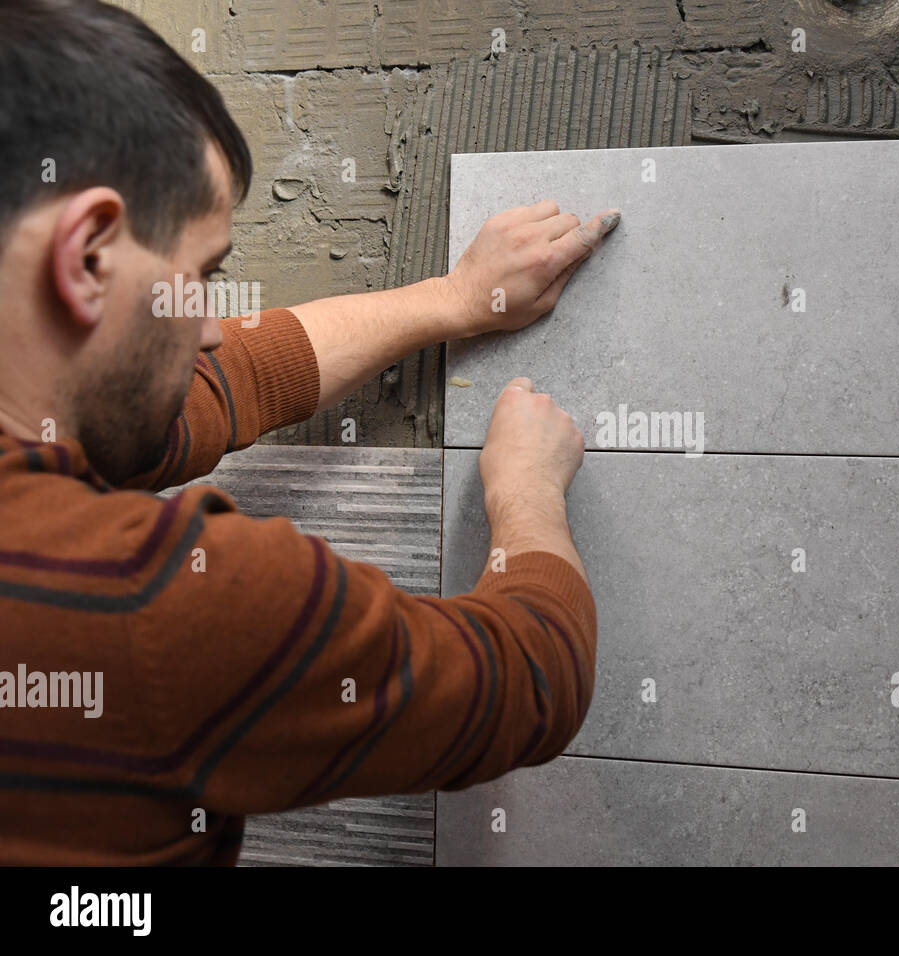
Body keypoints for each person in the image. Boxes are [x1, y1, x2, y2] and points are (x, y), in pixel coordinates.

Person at [0, 0, 614, 864]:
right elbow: (526, 681)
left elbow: (218, 384)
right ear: (90, 255)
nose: (211, 324)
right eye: (200, 278)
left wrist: (451, 298)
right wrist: (525, 498)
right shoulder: (154, 604)